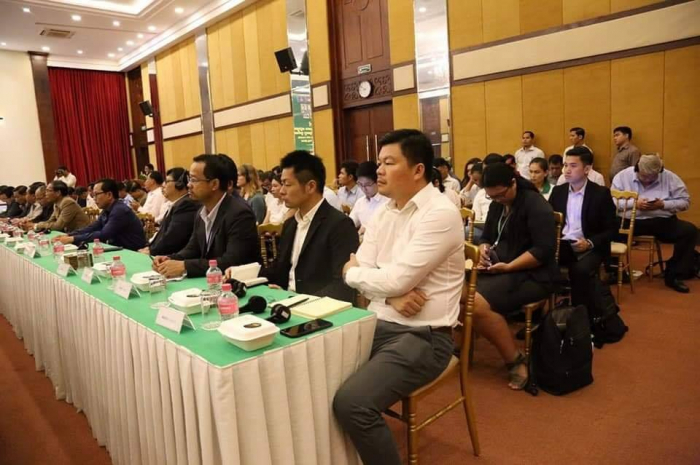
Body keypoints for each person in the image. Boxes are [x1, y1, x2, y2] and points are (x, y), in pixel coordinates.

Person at [334, 129, 462, 465]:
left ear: (418, 170)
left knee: (353, 403)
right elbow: (378, 275)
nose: (379, 170)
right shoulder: (385, 211)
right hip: (379, 320)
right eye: (379, 162)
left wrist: (354, 275)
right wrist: (389, 297)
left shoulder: (440, 213)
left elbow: (391, 277)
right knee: (317, 371)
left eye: (389, 163)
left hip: (425, 336)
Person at [473, 162, 557, 389]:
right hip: (500, 268)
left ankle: (516, 360)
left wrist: (510, 266)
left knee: (475, 302)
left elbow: (543, 251)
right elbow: (486, 236)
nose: (497, 200)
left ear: (513, 183)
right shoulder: (497, 204)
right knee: (457, 291)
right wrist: (483, 250)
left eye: (501, 194)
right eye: (492, 197)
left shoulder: (535, 205)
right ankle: (458, 347)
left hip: (534, 274)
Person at [257, 150, 359, 301]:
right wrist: (244, 275)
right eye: (282, 184)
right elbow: (279, 269)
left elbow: (342, 285)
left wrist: (298, 301)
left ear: (310, 186)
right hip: (288, 302)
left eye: (287, 184)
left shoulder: (339, 225)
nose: (282, 191)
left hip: (318, 307)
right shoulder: (290, 224)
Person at [152, 154, 259, 278]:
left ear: (214, 184)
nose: (188, 185)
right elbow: (193, 249)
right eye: (189, 179)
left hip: (241, 282)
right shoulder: (201, 212)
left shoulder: (239, 214)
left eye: (194, 180)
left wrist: (185, 266)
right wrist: (170, 259)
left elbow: (231, 261)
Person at [611, 154, 697, 293]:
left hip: (661, 221)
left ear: (660, 171)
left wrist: (663, 204)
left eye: (653, 177)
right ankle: (615, 272)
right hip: (628, 221)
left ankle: (673, 274)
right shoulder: (622, 176)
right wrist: (634, 203)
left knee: (689, 231)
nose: (648, 181)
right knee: (603, 229)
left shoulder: (670, 177)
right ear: (637, 169)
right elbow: (612, 202)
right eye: (644, 177)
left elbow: (685, 202)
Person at [549, 147, 617, 315]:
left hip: (589, 246)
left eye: (573, 166)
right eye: (565, 165)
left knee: (580, 270)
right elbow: (549, 222)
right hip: (562, 244)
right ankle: (542, 315)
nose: (567, 170)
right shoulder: (558, 191)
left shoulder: (600, 193)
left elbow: (612, 229)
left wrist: (589, 243)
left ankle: (580, 315)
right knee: (536, 261)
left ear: (587, 169)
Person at [55, 178, 148, 251]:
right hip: (119, 249)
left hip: (133, 252)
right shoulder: (107, 209)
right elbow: (93, 227)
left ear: (109, 195)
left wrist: (73, 239)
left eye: (96, 194)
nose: (94, 198)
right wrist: (69, 235)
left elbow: (104, 234)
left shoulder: (119, 210)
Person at [142, 167, 199, 256]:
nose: (163, 185)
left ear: (179, 184)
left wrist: (152, 251)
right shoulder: (177, 203)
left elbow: (173, 238)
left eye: (167, 181)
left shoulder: (186, 204)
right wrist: (149, 247)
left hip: (171, 256)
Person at [349, 161, 388, 234]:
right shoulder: (360, 202)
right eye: (360, 184)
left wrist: (368, 230)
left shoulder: (387, 202)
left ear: (377, 181)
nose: (364, 188)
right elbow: (350, 223)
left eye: (367, 184)